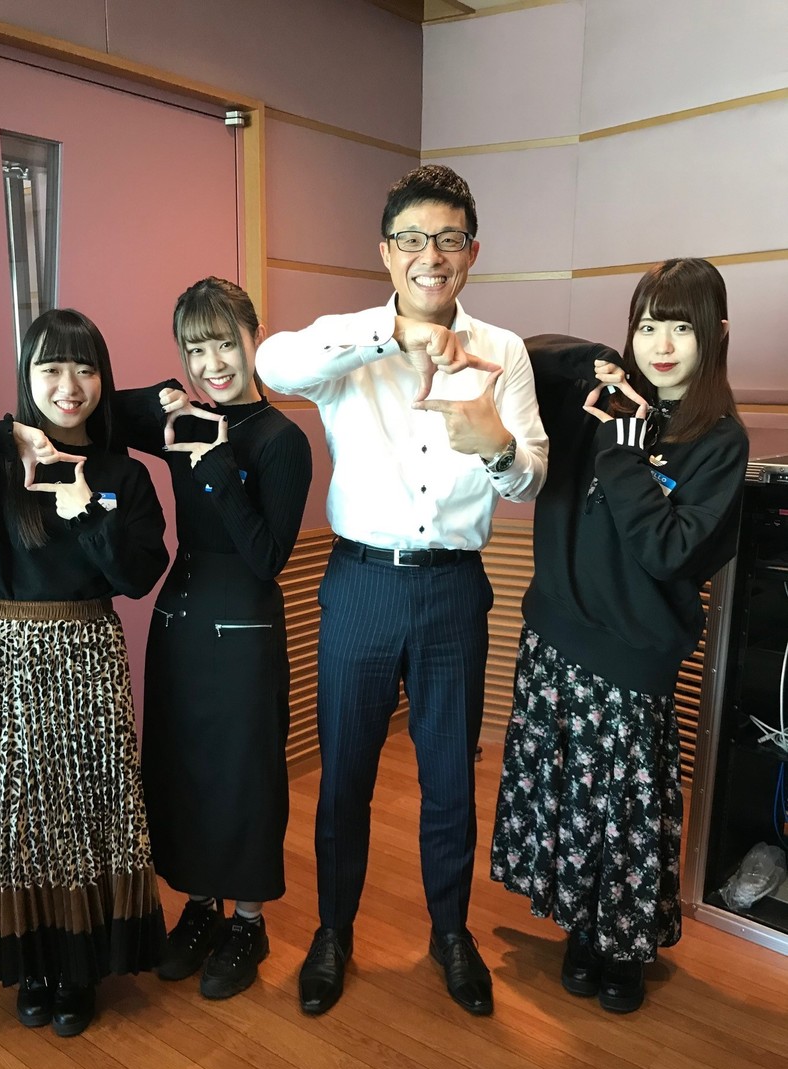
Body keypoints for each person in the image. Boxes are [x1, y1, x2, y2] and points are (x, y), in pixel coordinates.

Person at [255, 164, 548, 1017]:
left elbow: (530, 477)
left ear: (472, 252)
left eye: (449, 239)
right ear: (386, 252)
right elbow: (273, 364)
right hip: (360, 586)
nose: (432, 255)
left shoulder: (503, 352)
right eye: (413, 239)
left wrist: (495, 444)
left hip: (454, 591)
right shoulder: (346, 345)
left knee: (450, 778)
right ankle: (333, 932)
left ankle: (450, 933)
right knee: (344, 774)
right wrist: (391, 337)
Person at [0, 308, 169, 1036]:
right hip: (4, 653)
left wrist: (87, 512)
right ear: (28, 376)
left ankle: (80, 967)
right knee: (13, 810)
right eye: (50, 368)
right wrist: (9, 436)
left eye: (85, 368)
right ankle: (34, 964)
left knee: (88, 809)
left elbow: (139, 575)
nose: (69, 385)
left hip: (88, 652)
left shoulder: (122, 474)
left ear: (103, 380)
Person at [489, 258, 750, 1013]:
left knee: (624, 816)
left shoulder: (719, 439)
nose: (661, 345)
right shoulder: (597, 400)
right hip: (554, 640)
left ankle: (622, 946)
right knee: (567, 802)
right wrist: (598, 364)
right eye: (647, 326)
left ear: (716, 334)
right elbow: (521, 353)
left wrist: (625, 448)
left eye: (681, 328)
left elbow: (670, 551)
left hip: (632, 661)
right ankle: (581, 928)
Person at [114, 277, 312, 1000]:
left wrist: (217, 459)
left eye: (224, 343)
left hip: (247, 625)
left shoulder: (283, 440)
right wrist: (167, 399)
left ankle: (248, 922)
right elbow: (105, 412)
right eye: (195, 350)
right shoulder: (186, 418)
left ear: (254, 338)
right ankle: (199, 907)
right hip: (180, 622)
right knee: (183, 766)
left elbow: (267, 558)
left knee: (243, 772)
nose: (212, 364)